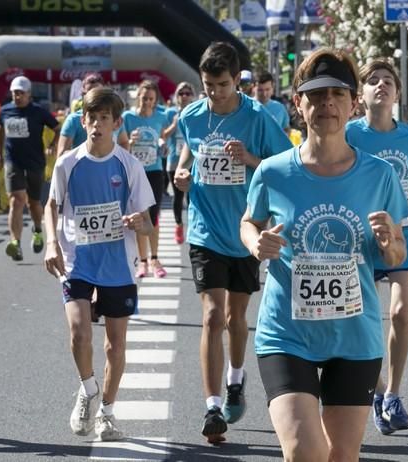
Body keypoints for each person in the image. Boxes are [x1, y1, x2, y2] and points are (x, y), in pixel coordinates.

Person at [240, 48, 408, 461]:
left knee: (341, 456)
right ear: (298, 104)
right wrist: (254, 243)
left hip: (354, 336)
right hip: (287, 333)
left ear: (353, 103)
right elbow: (249, 221)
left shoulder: (379, 175)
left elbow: (396, 253)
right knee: (303, 451)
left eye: (337, 94)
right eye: (315, 95)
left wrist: (390, 244)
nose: (326, 104)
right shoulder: (273, 171)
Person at [173, 42, 292, 443]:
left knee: (235, 319)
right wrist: (182, 172)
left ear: (236, 80)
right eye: (208, 85)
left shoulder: (257, 117)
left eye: (222, 85)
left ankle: (236, 383)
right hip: (204, 229)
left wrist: (250, 159)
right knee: (211, 316)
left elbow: (285, 165)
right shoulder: (191, 115)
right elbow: (188, 148)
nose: (215, 93)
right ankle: (211, 407)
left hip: (245, 231)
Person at [44, 87, 154, 441]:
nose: (97, 126)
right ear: (83, 121)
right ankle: (88, 389)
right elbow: (51, 206)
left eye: (104, 119)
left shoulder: (129, 164)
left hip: (118, 263)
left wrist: (139, 223)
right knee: (79, 331)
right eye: (91, 119)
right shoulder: (68, 163)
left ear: (116, 123)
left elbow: (147, 220)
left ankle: (106, 412)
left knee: (115, 345)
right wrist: (50, 243)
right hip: (78, 260)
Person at [346, 59, 408, 436]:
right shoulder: (351, 135)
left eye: (388, 81)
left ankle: (394, 396)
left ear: (398, 94)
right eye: (373, 81)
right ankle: (378, 389)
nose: (381, 86)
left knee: (401, 313)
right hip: (365, 236)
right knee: (366, 322)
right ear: (362, 95)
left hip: (407, 234)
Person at [0, 75, 59, 261]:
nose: (17, 96)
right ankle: (15, 243)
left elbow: (57, 127)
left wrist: (52, 145)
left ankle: (38, 229)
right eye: (15, 93)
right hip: (12, 161)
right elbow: (0, 129)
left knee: (34, 202)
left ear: (29, 94)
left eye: (21, 93)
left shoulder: (38, 112)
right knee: (16, 200)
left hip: (35, 162)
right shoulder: (5, 111)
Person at [121, 80, 171, 278]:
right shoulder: (128, 117)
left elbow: (161, 140)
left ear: (155, 100)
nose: (147, 102)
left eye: (150, 99)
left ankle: (155, 259)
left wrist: (163, 147)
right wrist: (130, 142)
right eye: (143, 98)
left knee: (154, 216)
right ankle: (142, 261)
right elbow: (121, 143)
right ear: (137, 97)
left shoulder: (161, 117)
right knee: (140, 217)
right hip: (135, 172)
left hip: (154, 171)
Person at [57, 73, 128, 157]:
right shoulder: (73, 119)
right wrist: (89, 158)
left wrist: (118, 162)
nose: (97, 123)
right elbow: (61, 155)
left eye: (104, 118)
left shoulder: (114, 117)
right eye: (91, 118)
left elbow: (124, 142)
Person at [164, 82, 196, 244]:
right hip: (174, 161)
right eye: (181, 93)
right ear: (176, 97)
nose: (184, 96)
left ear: (192, 96)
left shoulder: (197, 112)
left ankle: (192, 226)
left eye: (187, 93)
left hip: (193, 162)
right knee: (178, 195)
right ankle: (178, 224)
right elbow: (162, 134)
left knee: (192, 196)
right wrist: (174, 124)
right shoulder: (170, 113)